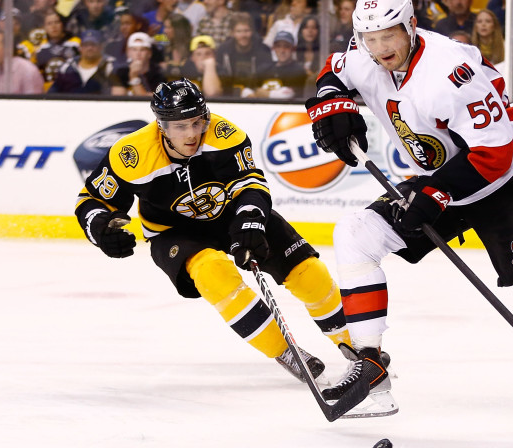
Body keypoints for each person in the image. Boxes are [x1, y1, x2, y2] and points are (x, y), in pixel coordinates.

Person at [304, 0, 513, 422]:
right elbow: (334, 68)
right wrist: (332, 104)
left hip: (503, 180)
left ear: (412, 26)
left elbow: (495, 152)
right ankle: (371, 367)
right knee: (355, 233)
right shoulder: (365, 53)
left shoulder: (449, 71)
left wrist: (434, 193)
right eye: (370, 38)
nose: (380, 47)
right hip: (440, 177)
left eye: (389, 36)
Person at [74, 78, 351, 388]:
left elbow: (249, 183)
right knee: (212, 272)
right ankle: (284, 351)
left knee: (307, 271)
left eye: (196, 122)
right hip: (173, 232)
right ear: (161, 125)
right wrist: (101, 229)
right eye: (180, 127)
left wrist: (249, 222)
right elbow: (92, 200)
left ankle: (359, 348)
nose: (192, 133)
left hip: (231, 215)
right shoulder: (131, 155)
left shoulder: (224, 134)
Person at [216, 12, 273, 97]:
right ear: (232, 33)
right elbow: (220, 77)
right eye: (239, 31)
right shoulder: (223, 50)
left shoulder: (263, 50)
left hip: (256, 95)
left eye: (246, 31)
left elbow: (265, 78)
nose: (243, 35)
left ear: (252, 31)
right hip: (229, 95)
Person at [48, 29, 115, 94]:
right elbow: (52, 93)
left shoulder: (111, 65)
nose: (89, 48)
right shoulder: (67, 67)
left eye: (93, 44)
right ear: (80, 47)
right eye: (86, 45)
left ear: (101, 47)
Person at [247, 30, 305, 98]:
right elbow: (246, 90)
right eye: (278, 46)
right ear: (274, 48)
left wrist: (263, 94)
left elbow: (287, 95)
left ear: (293, 49)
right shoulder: (264, 68)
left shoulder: (298, 71)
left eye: (286, 46)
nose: (282, 50)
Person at [35, 8, 81, 91]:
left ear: (62, 24)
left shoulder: (76, 44)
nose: (54, 26)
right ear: (44, 27)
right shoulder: (40, 50)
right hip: (48, 93)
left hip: (73, 89)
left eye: (57, 22)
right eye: (49, 23)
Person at [110, 31, 166, 95]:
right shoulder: (121, 72)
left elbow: (152, 101)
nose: (138, 53)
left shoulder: (158, 73)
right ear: (128, 53)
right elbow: (117, 99)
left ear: (149, 53)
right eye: (134, 49)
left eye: (142, 50)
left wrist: (134, 78)